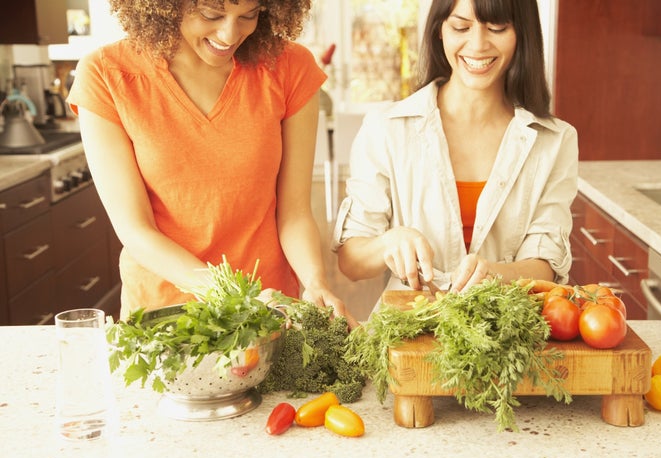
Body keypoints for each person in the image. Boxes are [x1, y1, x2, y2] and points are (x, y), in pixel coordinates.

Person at [68, 0, 358, 327]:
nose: (230, 33)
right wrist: (235, 296)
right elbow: (136, 231)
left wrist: (316, 282)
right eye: (211, 14)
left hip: (272, 311)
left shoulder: (290, 66)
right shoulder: (106, 75)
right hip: (164, 317)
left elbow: (294, 213)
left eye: (249, 15)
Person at [332, 0, 578, 296]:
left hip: (507, 334)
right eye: (461, 26)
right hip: (408, 330)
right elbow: (351, 262)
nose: (477, 45)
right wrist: (389, 243)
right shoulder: (386, 129)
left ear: (521, 33)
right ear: (440, 30)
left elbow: (547, 263)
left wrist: (498, 274)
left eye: (497, 27)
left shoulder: (554, 141)